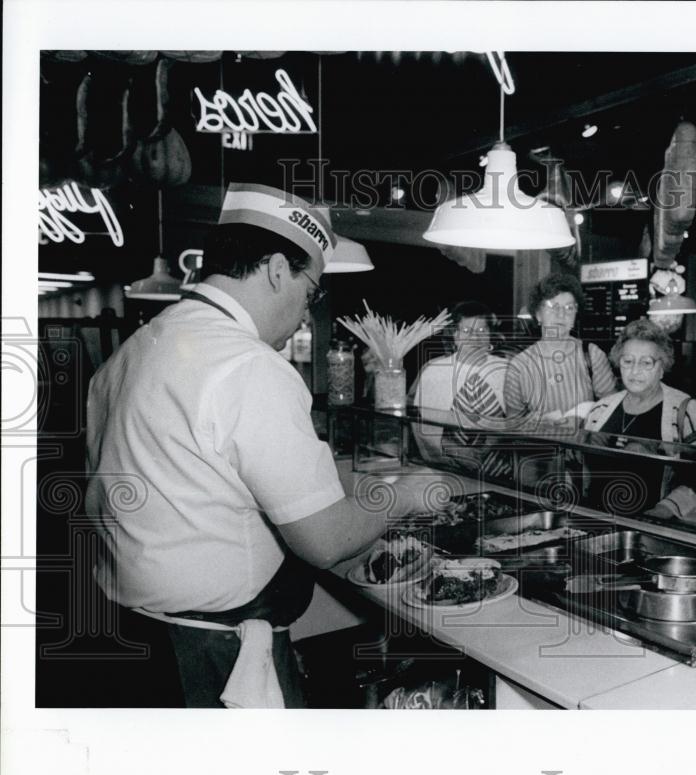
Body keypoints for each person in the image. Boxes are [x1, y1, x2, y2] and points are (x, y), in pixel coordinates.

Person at [85, 183, 441, 707]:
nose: (305, 313)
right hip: (212, 653)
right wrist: (406, 494)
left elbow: (210, 474)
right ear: (277, 270)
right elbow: (322, 540)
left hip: (131, 636)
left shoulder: (136, 350)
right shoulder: (249, 365)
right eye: (311, 291)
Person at [583, 319, 696, 531]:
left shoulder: (686, 410)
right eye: (628, 361)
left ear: (662, 367)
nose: (635, 371)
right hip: (600, 524)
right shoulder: (600, 409)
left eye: (646, 363)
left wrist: (665, 509)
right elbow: (585, 470)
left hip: (658, 527)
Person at [503, 273, 617, 425]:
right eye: (552, 307)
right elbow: (512, 421)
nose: (561, 314)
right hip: (542, 448)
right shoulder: (519, 365)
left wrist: (584, 420)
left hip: (583, 445)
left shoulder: (591, 354)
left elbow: (612, 408)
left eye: (569, 308)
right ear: (538, 314)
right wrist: (537, 424)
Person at [411, 300, 509, 475]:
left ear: (489, 334)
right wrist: (459, 452)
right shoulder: (434, 370)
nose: (475, 337)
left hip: (499, 469)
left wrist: (485, 449)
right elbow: (422, 428)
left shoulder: (507, 369)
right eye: (466, 331)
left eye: (481, 330)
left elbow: (518, 419)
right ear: (455, 335)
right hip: (446, 467)